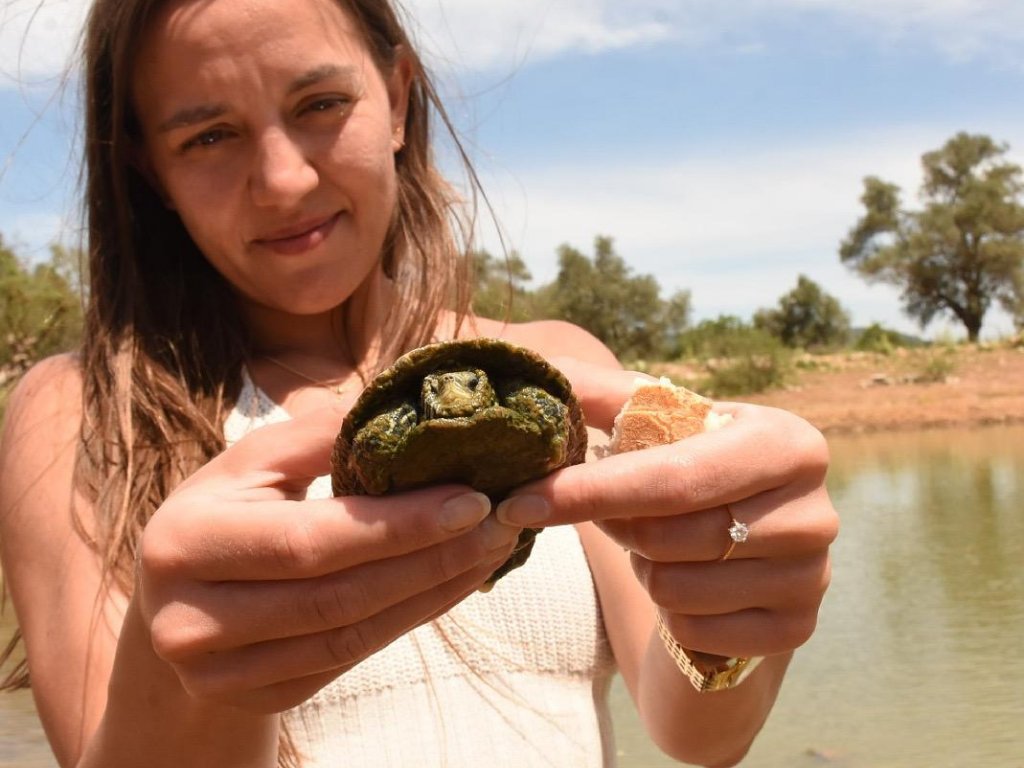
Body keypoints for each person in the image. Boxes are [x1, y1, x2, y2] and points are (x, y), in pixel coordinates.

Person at [0, 0, 839, 766]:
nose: (284, 181)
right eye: (208, 136)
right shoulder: (85, 413)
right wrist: (182, 654)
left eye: (321, 105)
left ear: (398, 99)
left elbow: (701, 733)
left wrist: (741, 597)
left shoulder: (558, 361)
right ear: (151, 171)